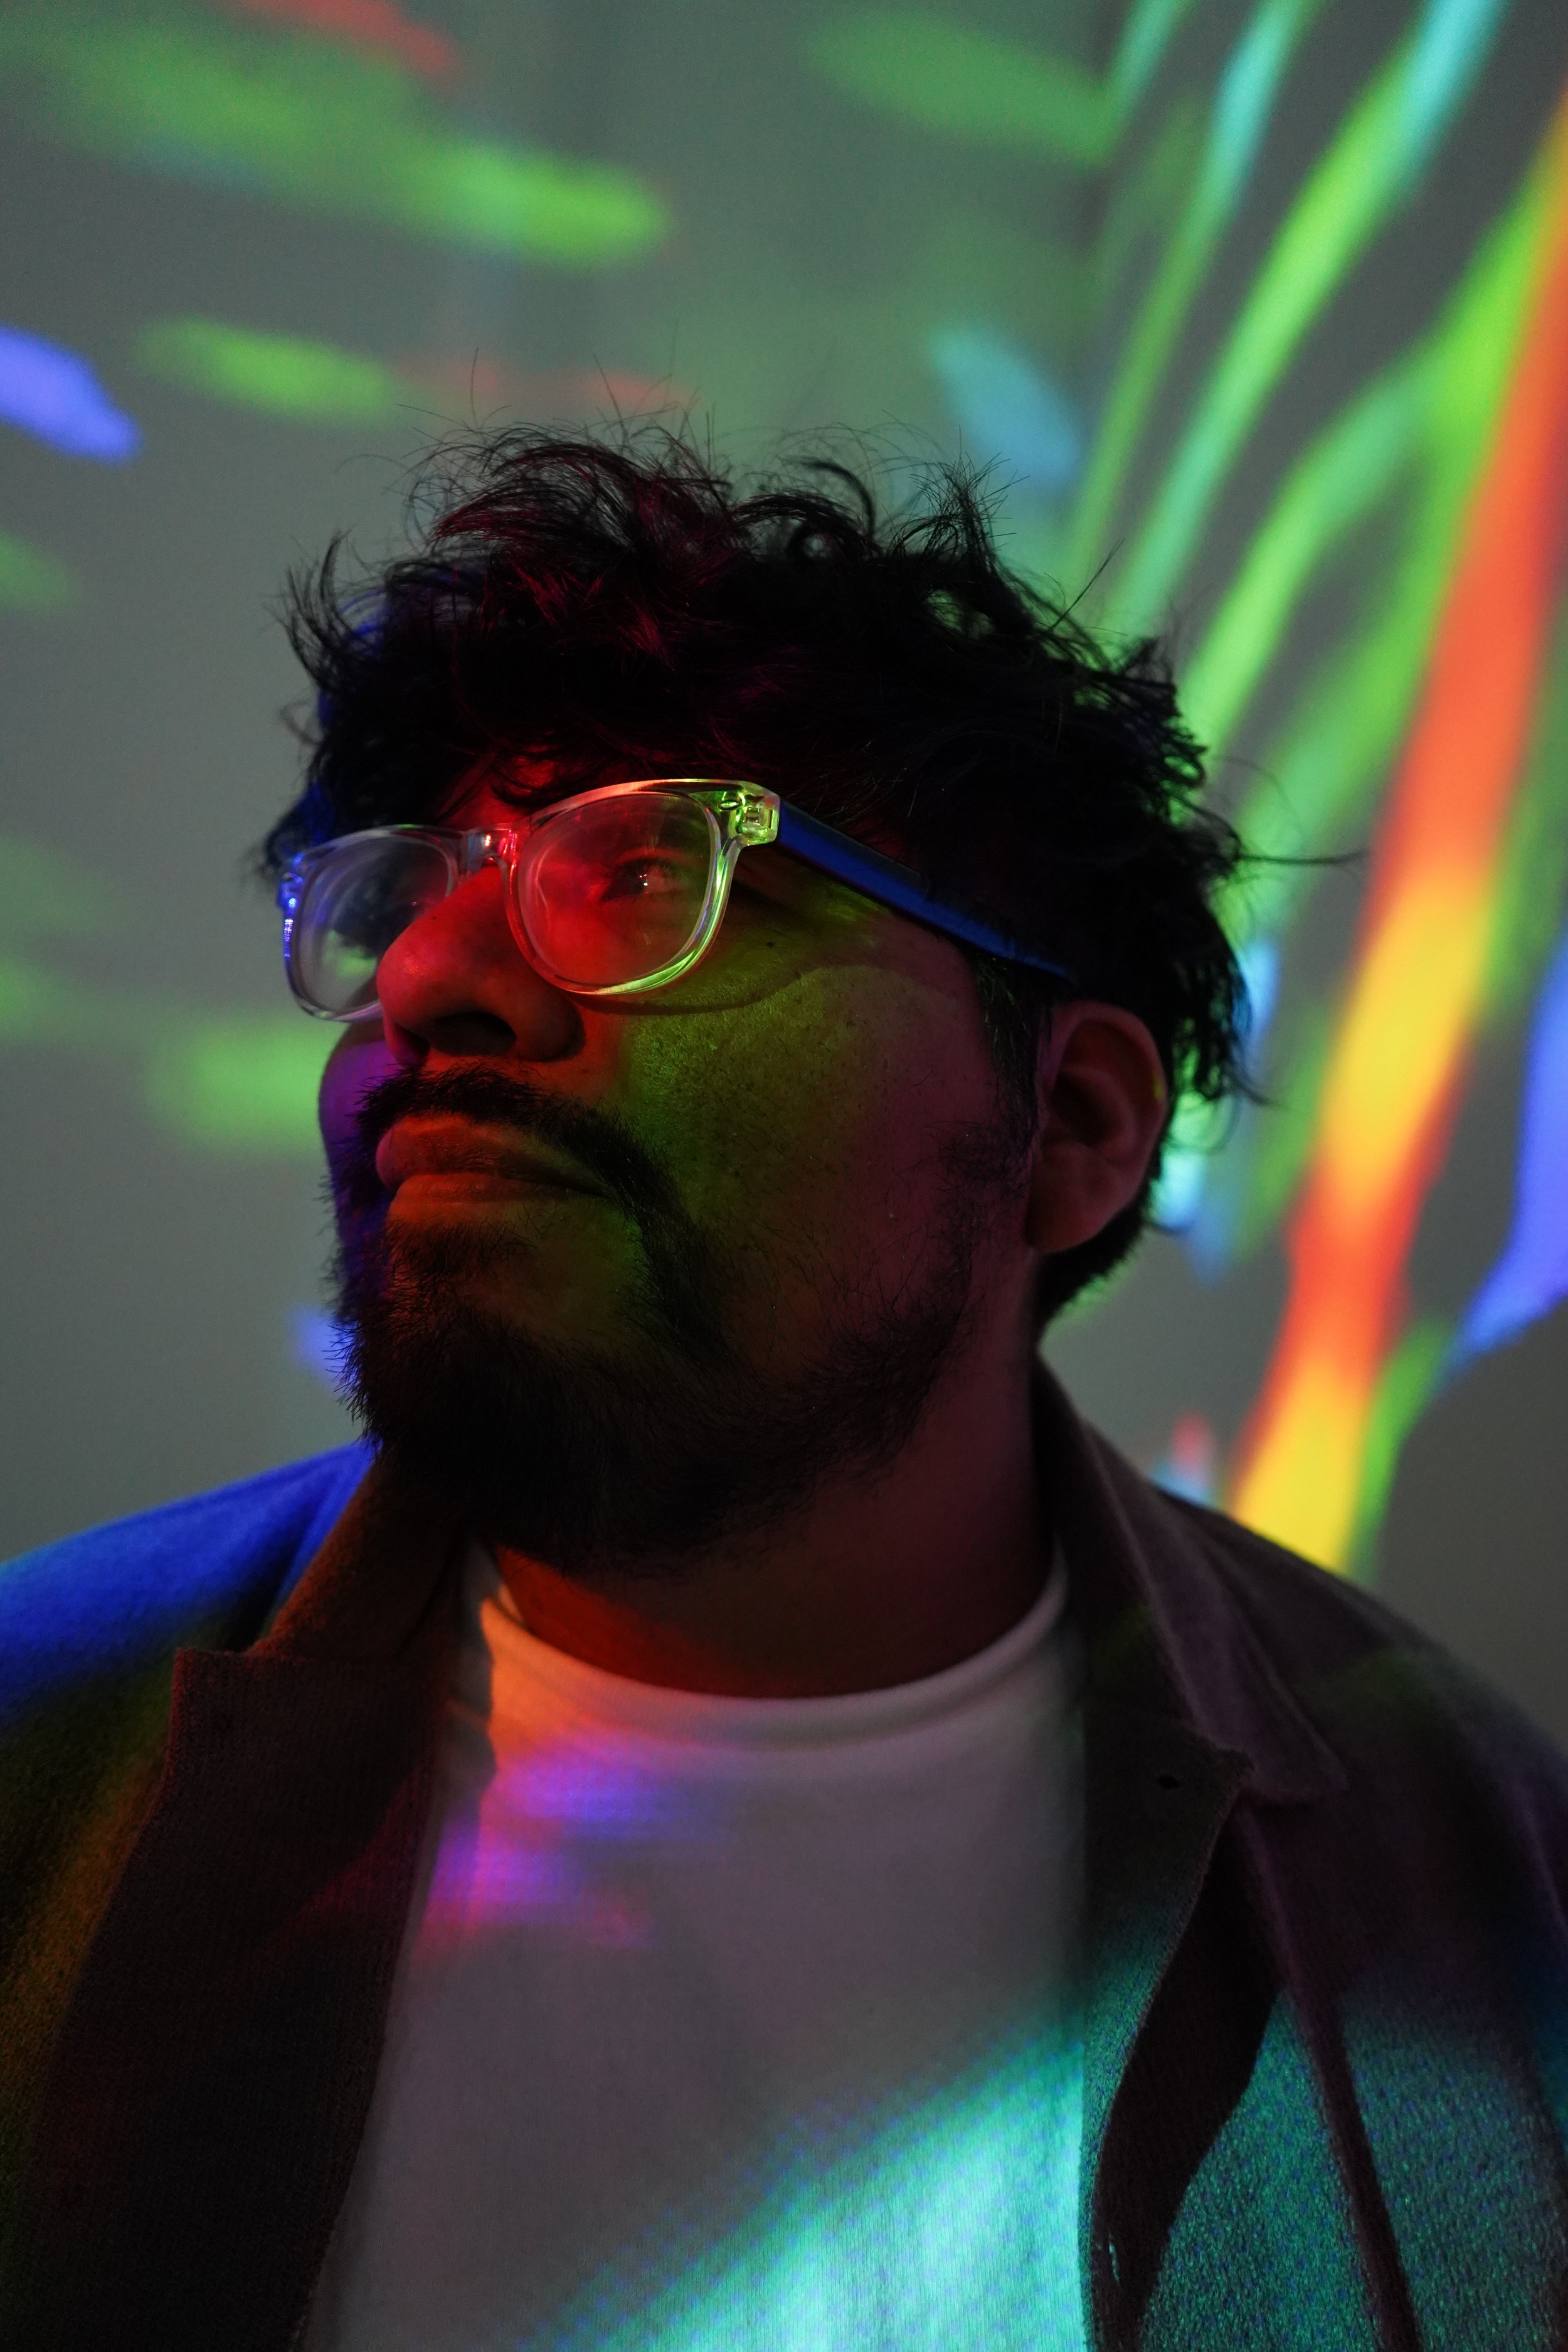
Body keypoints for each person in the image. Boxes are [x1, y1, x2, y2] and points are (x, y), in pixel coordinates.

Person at [3, 432, 1566, 2352]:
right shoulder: (39, 1755)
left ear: (1072, 1126)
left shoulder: (1487, 1890)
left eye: (646, 874)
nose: (422, 979)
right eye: (398, 899)